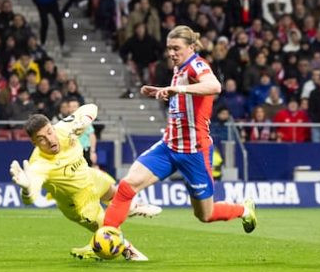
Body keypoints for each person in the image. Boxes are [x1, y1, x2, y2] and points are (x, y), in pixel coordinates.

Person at [102, 25, 257, 240]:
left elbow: (214, 86)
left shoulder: (197, 65)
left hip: (194, 151)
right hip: (169, 146)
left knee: (205, 214)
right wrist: (162, 91)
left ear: (191, 47)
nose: (171, 53)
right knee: (127, 186)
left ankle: (243, 210)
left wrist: (179, 90)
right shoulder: (179, 70)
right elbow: (185, 99)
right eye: (169, 48)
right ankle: (104, 240)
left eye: (176, 48)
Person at [8, 104, 161, 261]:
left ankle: (131, 207)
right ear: (34, 143)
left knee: (114, 191)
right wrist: (26, 189)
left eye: (49, 132)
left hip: (90, 177)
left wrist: (84, 121)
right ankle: (127, 251)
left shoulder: (65, 128)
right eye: (42, 139)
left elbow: (91, 107)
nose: (50, 139)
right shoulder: (38, 165)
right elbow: (29, 199)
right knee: (108, 229)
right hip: (78, 203)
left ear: (53, 127)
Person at [67, 98, 97, 167]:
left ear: (79, 108)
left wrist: (92, 152)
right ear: (68, 109)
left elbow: (92, 136)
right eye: (70, 107)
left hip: (85, 150)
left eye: (74, 106)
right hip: (72, 152)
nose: (72, 109)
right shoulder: (66, 122)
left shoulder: (85, 120)